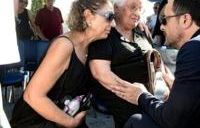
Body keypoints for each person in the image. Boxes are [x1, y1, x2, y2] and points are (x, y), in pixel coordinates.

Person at [10, 0, 115, 127]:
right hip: (36, 122)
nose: (113, 23)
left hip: (63, 119)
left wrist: (139, 25)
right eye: (109, 17)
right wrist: (71, 122)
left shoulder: (90, 46)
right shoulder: (64, 46)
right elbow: (32, 96)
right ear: (88, 16)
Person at [112, 0, 200, 128]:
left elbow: (171, 119)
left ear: (185, 20)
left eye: (164, 20)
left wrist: (140, 95)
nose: (161, 27)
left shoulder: (193, 48)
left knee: (137, 121)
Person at [87, 0, 153, 127]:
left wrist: (170, 81)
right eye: (133, 7)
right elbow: (101, 74)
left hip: (149, 94)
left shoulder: (142, 31)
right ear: (116, 8)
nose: (138, 13)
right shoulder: (105, 35)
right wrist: (139, 96)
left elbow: (156, 57)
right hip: (121, 98)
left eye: (140, 9)